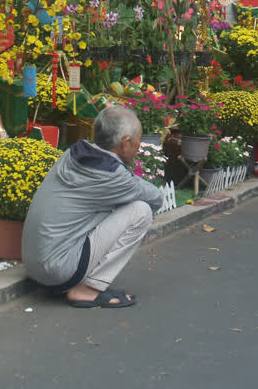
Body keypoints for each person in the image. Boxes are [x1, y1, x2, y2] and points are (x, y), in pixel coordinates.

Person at [22, 105, 163, 308]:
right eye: (138, 139)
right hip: (59, 271)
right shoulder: (113, 176)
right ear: (125, 143)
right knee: (141, 211)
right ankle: (87, 290)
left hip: (35, 265)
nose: (139, 145)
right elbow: (156, 198)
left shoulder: (73, 154)